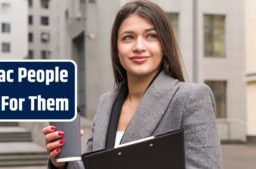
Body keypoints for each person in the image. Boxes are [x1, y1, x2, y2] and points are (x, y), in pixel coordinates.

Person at [42, 0, 223, 169]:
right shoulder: (106, 103)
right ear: (117, 49)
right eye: (128, 37)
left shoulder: (191, 98)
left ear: (164, 45)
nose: (138, 46)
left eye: (151, 36)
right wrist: (63, 164)